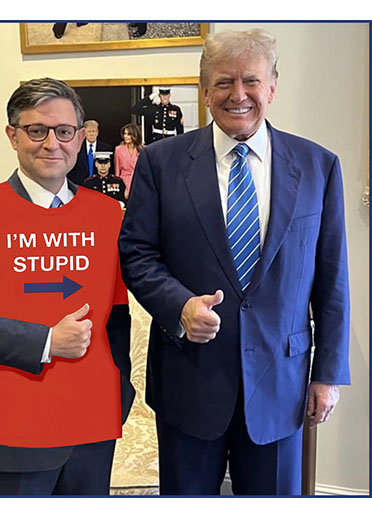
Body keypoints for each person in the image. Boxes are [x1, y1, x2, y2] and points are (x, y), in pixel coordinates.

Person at [119, 29, 350, 496]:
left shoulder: (317, 166)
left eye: (250, 81)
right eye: (223, 82)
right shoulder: (161, 164)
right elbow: (136, 253)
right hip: (190, 382)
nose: (237, 95)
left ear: (272, 87)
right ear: (204, 90)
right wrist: (179, 306)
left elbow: (332, 280)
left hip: (281, 389)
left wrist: (327, 373)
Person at [0, 78, 134, 496]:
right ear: (12, 135)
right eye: (36, 130)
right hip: (11, 430)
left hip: (92, 426)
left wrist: (120, 390)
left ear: (80, 137)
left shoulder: (108, 215)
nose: (51, 144)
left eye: (64, 132)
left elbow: (117, 316)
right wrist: (47, 341)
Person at [67, 119, 113, 185]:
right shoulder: (77, 148)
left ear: (97, 132)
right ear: (84, 133)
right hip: (80, 186)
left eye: (93, 131)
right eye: (89, 131)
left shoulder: (106, 148)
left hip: (99, 186)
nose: (91, 134)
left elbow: (111, 170)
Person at [114, 123, 143, 199]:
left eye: (129, 134)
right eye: (125, 134)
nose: (125, 136)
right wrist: (120, 187)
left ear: (134, 135)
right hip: (123, 182)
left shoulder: (142, 150)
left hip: (137, 181)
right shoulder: (118, 149)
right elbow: (117, 171)